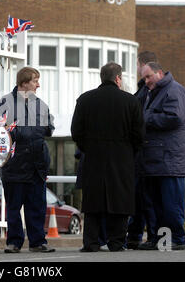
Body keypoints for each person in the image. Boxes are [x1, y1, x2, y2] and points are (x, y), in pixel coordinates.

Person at [71, 62, 144, 252]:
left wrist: (89, 147)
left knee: (93, 200)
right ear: (118, 78)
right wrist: (129, 151)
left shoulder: (85, 100)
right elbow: (139, 135)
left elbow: (76, 132)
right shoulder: (131, 101)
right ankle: (117, 242)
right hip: (122, 159)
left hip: (94, 158)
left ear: (102, 78)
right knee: (120, 200)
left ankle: (91, 242)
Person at [0, 67, 55, 253]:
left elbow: (49, 128)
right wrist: (27, 132)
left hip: (37, 164)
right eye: (35, 81)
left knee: (36, 206)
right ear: (24, 83)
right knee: (13, 208)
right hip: (14, 164)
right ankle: (14, 242)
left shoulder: (41, 105)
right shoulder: (4, 103)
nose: (38, 85)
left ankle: (37, 242)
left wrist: (21, 131)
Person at [137, 62, 185, 251]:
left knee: (170, 204)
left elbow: (175, 117)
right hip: (155, 159)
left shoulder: (174, 91)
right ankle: (158, 239)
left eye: (148, 77)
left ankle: (176, 238)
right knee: (155, 205)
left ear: (159, 73)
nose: (146, 81)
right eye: (144, 78)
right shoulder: (149, 91)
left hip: (170, 160)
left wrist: (146, 117)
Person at [127, 51, 158, 250]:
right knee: (138, 198)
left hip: (148, 154)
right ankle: (135, 236)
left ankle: (152, 237)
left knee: (148, 199)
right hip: (142, 154)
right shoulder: (142, 90)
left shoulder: (149, 90)